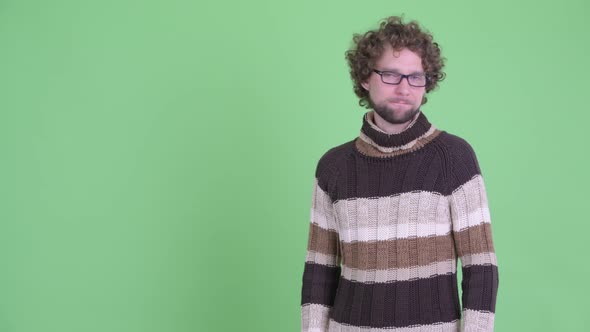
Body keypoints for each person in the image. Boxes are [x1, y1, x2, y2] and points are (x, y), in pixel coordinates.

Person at [300, 16, 499, 332]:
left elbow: (481, 268)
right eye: (391, 75)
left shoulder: (454, 158)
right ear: (366, 78)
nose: (405, 87)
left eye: (416, 77)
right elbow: (319, 271)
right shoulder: (333, 167)